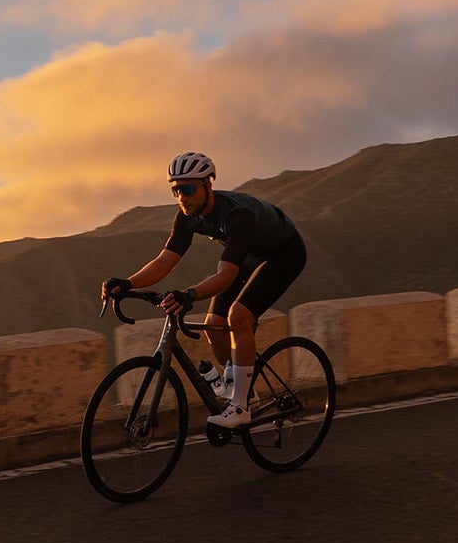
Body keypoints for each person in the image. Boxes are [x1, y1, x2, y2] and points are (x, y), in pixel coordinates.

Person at [102, 152, 307, 428]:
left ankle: (240, 407)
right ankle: (243, 391)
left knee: (239, 316)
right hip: (249, 255)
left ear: (207, 186)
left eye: (187, 189)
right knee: (213, 326)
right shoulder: (187, 217)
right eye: (175, 190)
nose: (181, 197)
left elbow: (226, 275)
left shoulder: (237, 215)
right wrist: (127, 283)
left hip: (284, 254)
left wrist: (190, 295)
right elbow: (165, 261)